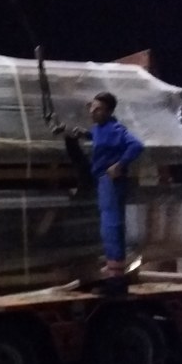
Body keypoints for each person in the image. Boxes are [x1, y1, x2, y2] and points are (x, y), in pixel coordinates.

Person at [67, 92, 144, 295]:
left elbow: (136, 145)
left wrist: (120, 165)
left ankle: (117, 283)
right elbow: (98, 137)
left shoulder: (115, 129)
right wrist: (84, 134)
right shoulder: (99, 129)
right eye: (92, 107)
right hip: (102, 181)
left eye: (98, 109)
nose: (93, 112)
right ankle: (113, 275)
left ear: (109, 112)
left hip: (111, 181)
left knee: (112, 227)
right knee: (107, 226)